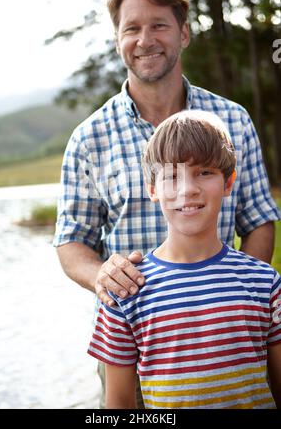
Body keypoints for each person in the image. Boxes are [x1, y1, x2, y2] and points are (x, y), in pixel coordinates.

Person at [54, 0, 280, 406]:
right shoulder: (88, 138)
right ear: (118, 39)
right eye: (131, 28)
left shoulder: (232, 119)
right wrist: (102, 276)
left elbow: (259, 220)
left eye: (159, 25)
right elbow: (71, 243)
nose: (145, 40)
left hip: (230, 329)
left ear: (183, 33)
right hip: (136, 334)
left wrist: (236, 301)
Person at [88, 110, 281, 409]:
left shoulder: (265, 282)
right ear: (153, 189)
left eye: (205, 172)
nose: (188, 189)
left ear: (228, 183)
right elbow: (119, 407)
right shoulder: (125, 292)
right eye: (172, 176)